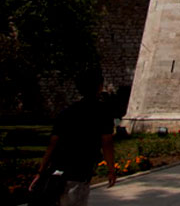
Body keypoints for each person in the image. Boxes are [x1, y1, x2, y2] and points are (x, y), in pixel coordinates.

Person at [29, 69, 116, 206]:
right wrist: (111, 170)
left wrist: (40, 172)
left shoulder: (67, 112)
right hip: (78, 174)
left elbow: (53, 144)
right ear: (99, 87)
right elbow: (107, 143)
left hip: (57, 172)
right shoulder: (102, 112)